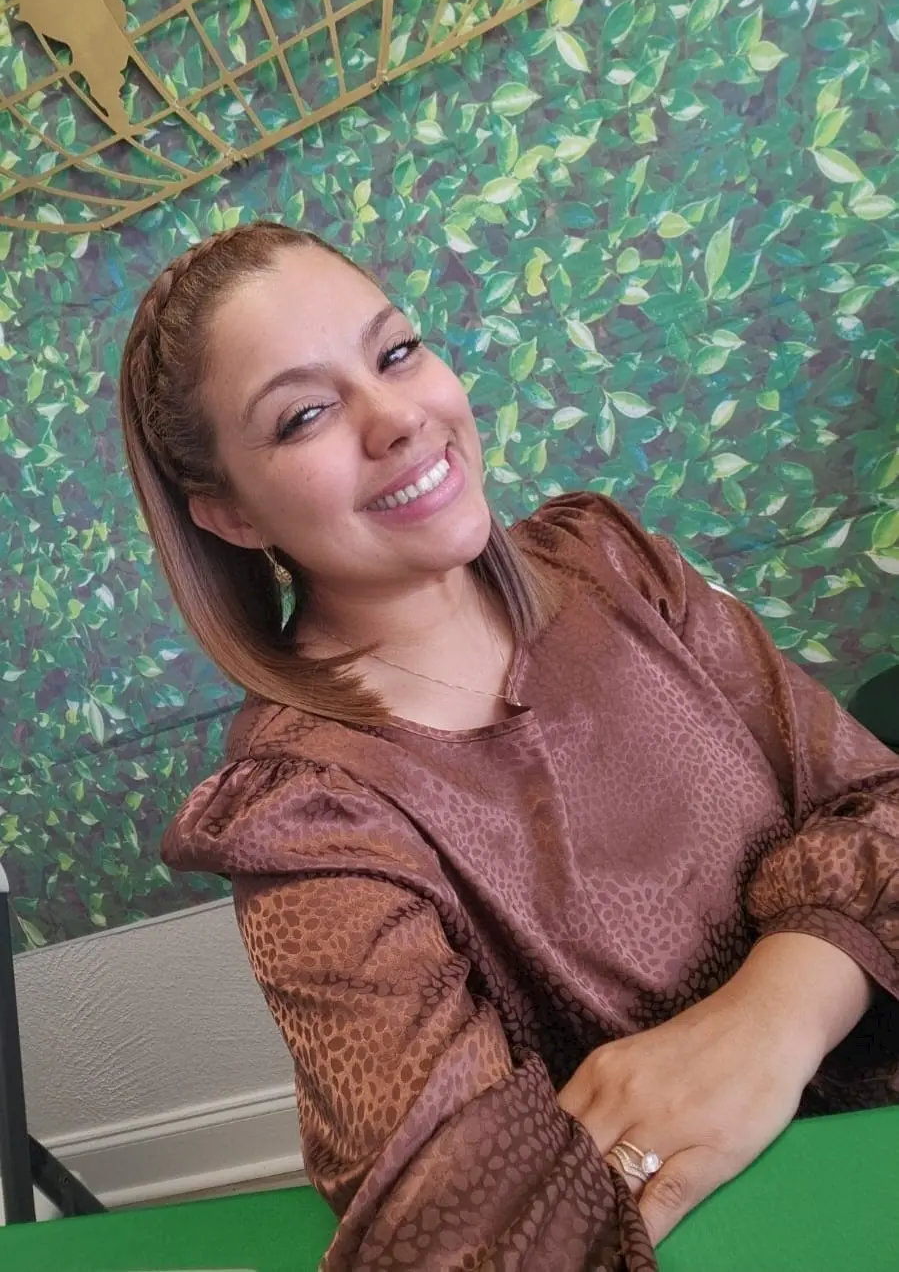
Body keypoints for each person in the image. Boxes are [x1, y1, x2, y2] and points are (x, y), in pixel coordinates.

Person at [118, 220, 899, 1270]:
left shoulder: (614, 564)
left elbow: (877, 804)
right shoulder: (302, 816)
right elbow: (462, 1220)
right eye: (305, 414)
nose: (397, 417)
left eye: (397, 351)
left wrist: (774, 1016)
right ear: (228, 514)